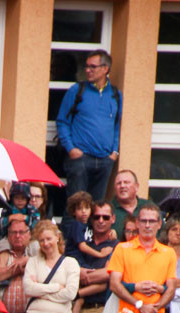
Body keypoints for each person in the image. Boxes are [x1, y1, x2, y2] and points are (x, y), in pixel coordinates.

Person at [56, 49, 121, 200]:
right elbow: (62, 121)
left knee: (97, 210)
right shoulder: (77, 90)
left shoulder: (116, 95)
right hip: (81, 158)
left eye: (93, 67)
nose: (88, 70)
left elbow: (116, 125)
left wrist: (114, 152)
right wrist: (71, 149)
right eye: (86, 66)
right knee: (76, 208)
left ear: (105, 69)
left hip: (105, 159)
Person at [21, 220, 80, 313]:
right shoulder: (33, 261)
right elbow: (28, 288)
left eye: (49, 239)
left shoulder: (70, 263)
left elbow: (70, 293)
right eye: (42, 240)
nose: (46, 243)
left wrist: (40, 291)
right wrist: (54, 287)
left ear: (57, 238)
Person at [0, 216, 34, 313]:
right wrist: (17, 269)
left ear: (29, 235)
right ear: (8, 235)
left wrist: (27, 261)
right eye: (13, 232)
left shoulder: (36, 254)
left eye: (21, 232)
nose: (17, 236)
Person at [111, 170, 146, 239]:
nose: (122, 186)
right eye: (119, 183)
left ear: (136, 186)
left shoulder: (148, 207)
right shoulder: (108, 210)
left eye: (126, 182)